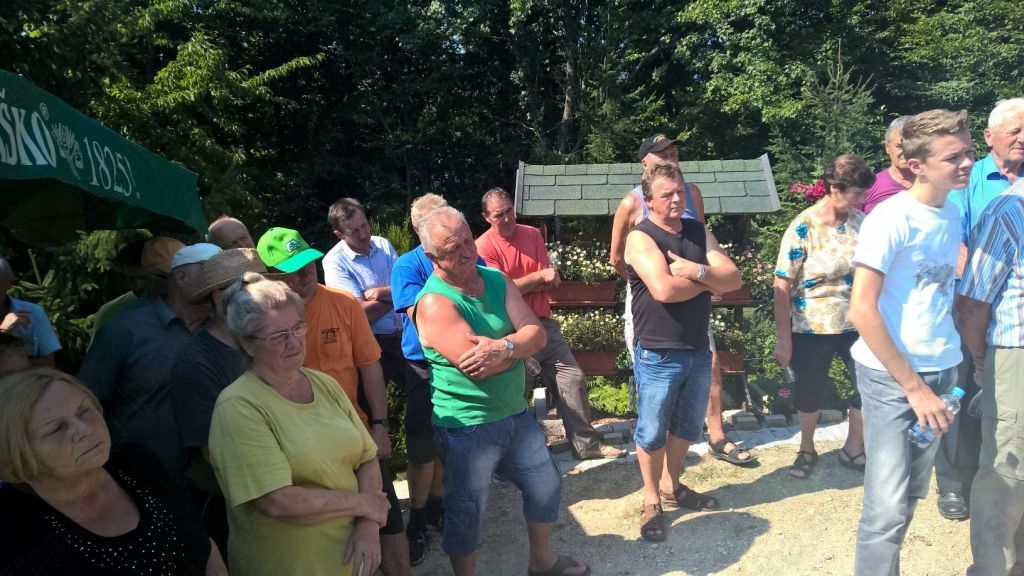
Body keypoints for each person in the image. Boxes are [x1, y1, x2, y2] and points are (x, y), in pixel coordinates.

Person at [414, 206, 588, 576]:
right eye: (452, 248)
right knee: (467, 511)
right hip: (467, 426)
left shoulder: (496, 279)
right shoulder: (433, 303)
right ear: (432, 257)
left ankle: (541, 561)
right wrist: (518, 346)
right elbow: (480, 369)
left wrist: (505, 347)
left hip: (515, 413)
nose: (466, 252)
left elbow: (537, 334)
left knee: (545, 484)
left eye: (467, 240)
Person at [847, 109, 973, 575]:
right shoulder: (890, 218)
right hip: (893, 380)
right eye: (953, 157)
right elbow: (862, 310)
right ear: (916, 164)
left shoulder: (951, 210)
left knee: (911, 496)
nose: (966, 163)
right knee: (885, 508)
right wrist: (914, 388)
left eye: (968, 153)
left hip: (943, 371)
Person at [208, 274, 389, 576]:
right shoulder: (238, 407)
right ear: (248, 345)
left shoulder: (324, 383)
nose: (294, 342)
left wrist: (368, 525)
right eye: (278, 336)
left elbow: (366, 456)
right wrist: (365, 505)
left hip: (348, 566)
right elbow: (278, 501)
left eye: (297, 328)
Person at [257, 227, 411, 576]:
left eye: (308, 265)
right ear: (269, 277)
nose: (304, 276)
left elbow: (369, 365)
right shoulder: (258, 324)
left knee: (387, 521)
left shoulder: (343, 304)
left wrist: (380, 425)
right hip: (301, 450)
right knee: (331, 539)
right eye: (292, 271)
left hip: (355, 435)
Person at [609, 133, 753, 466]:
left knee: (709, 362)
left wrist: (700, 276)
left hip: (693, 290)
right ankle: (655, 452)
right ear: (645, 162)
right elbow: (617, 257)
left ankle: (716, 435)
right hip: (652, 306)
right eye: (661, 153)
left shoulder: (693, 193)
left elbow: (700, 244)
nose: (670, 156)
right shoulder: (631, 203)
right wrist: (648, 283)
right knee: (655, 377)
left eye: (673, 151)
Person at [0, 368, 226, 575]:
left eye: (84, 410)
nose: (84, 429)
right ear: (16, 454)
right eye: (56, 428)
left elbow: (204, 545)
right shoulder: (14, 532)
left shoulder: (135, 461)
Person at [624, 161, 741, 542]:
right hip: (658, 351)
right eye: (667, 195)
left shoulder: (696, 231)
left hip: (696, 347)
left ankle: (672, 486)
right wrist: (710, 282)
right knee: (652, 430)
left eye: (680, 192)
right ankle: (651, 498)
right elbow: (663, 290)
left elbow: (734, 277)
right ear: (648, 200)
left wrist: (695, 271)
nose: (677, 199)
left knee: (688, 426)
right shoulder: (641, 238)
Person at [477, 187, 624, 461]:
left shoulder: (532, 234)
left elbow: (552, 279)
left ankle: (586, 446)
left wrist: (521, 285)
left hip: (544, 325)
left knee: (573, 378)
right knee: (516, 393)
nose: (507, 218)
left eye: (509, 211)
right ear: (487, 217)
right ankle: (515, 457)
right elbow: (501, 292)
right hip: (512, 332)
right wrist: (535, 279)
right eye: (499, 215)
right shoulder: (483, 247)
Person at [940, 97, 1024, 521]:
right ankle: (955, 483)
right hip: (969, 305)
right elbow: (953, 240)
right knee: (964, 394)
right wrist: (980, 293)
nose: (1023, 138)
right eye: (1015, 130)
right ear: (990, 137)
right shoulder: (969, 177)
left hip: (1011, 313)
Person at [78, 242, 221, 480]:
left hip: (210, 481)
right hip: (135, 479)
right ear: (181, 276)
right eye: (211, 272)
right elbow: (86, 401)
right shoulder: (125, 331)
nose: (221, 282)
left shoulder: (224, 329)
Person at [772, 154, 874, 478]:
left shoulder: (862, 223)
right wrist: (783, 338)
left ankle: (853, 447)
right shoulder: (803, 226)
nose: (861, 200)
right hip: (811, 327)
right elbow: (781, 283)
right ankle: (806, 448)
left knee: (866, 386)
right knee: (810, 390)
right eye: (856, 193)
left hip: (857, 323)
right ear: (834, 188)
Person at [171, 247, 269, 557]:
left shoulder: (266, 341)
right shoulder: (195, 361)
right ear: (218, 296)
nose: (265, 294)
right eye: (251, 287)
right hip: (235, 505)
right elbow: (214, 453)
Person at [957, 177, 1024, 575]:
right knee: (1007, 472)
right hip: (1017, 355)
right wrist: (982, 361)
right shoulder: (1009, 209)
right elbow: (971, 303)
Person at [389, 193, 461, 563]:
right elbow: (418, 311)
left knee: (447, 440)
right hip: (423, 364)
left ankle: (436, 507)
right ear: (419, 230)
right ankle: (415, 521)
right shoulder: (407, 265)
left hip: (457, 361)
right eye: (436, 222)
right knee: (421, 447)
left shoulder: (466, 255)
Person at [324, 197, 405, 426]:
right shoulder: (334, 262)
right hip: (371, 344)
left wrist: (379, 293)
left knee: (423, 400)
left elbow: (404, 287)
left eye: (364, 226)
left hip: (404, 336)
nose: (363, 234)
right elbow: (358, 313)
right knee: (370, 413)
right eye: (354, 231)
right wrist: (396, 299)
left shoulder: (383, 244)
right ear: (339, 234)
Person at [0, 257, 61, 367]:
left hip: (27, 378)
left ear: (9, 282)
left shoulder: (33, 312)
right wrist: (3, 331)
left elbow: (49, 362)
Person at [859, 116, 915, 214]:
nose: (906, 152)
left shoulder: (934, 185)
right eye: (899, 146)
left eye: (911, 146)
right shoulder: (869, 186)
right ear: (887, 147)